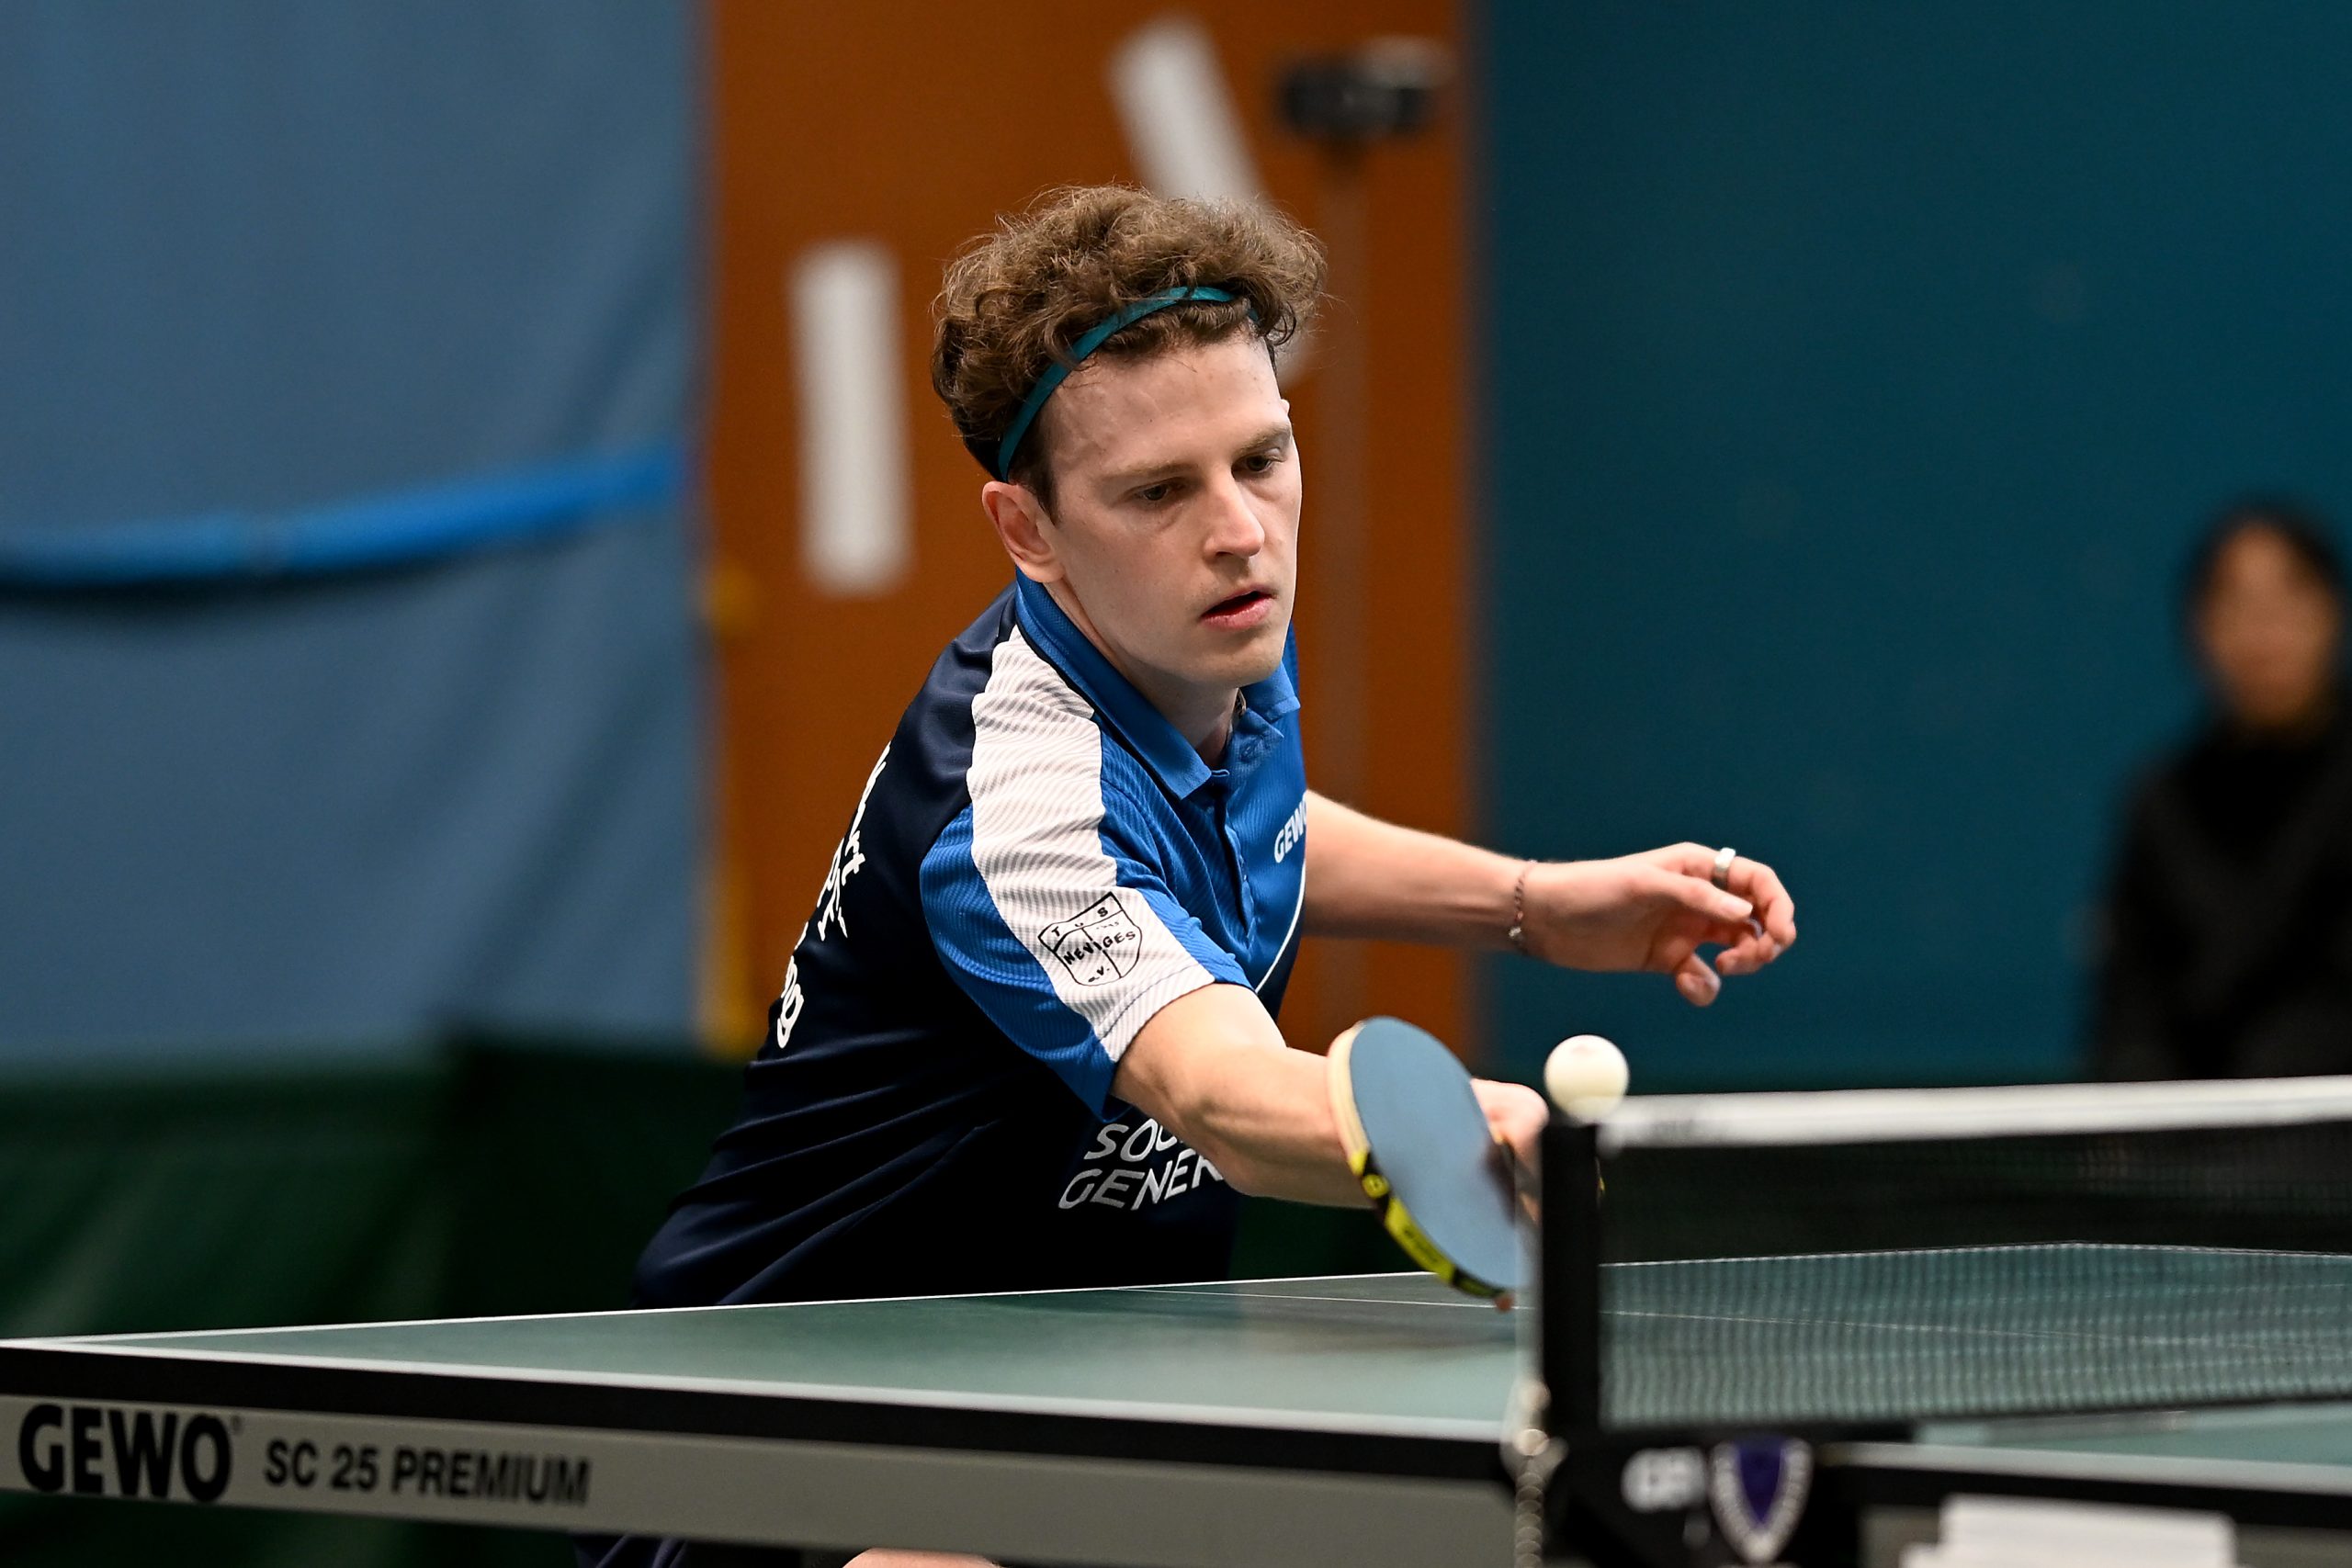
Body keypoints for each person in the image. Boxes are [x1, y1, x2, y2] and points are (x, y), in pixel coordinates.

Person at [581, 186, 1795, 1568]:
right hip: (779, 1445)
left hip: (1066, 1396)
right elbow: (1223, 1096)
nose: (1239, 529)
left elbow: (1241, 831)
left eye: (1261, 458)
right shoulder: (1018, 813)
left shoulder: (1208, 640)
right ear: (1029, 531)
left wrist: (1533, 903)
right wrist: (1450, 1134)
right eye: (1157, 491)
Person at [2094, 500, 2352, 1080]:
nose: (2264, 633)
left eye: (2288, 600)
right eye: (2237, 605)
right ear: (2200, 629)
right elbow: (2131, 1013)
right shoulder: (2162, 803)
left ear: (2332, 613)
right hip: (2197, 1125)